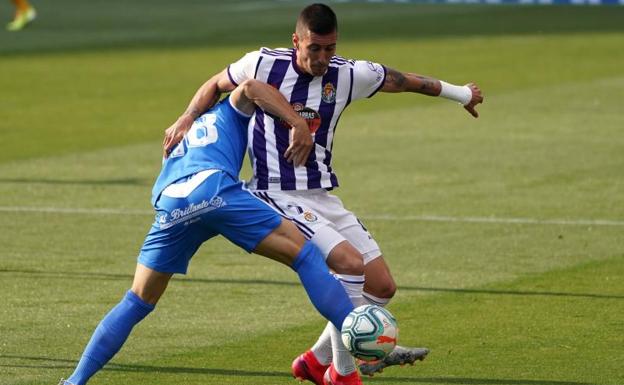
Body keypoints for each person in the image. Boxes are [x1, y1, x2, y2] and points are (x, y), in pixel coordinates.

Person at [162, 4, 484, 385]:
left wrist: (460, 93)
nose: (322, 57)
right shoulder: (262, 65)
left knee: (381, 287)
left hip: (322, 195)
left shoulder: (348, 74)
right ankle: (343, 374)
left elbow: (405, 81)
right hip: (275, 192)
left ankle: (316, 362)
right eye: (314, 48)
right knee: (348, 265)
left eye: (329, 48)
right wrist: (187, 116)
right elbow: (217, 83)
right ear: (296, 41)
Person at [58, 79, 366, 385]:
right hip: (215, 189)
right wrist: (296, 121)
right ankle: (362, 338)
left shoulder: (183, 130)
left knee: (137, 300)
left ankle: (74, 381)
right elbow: (250, 87)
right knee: (305, 255)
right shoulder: (231, 110)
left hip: (172, 202)